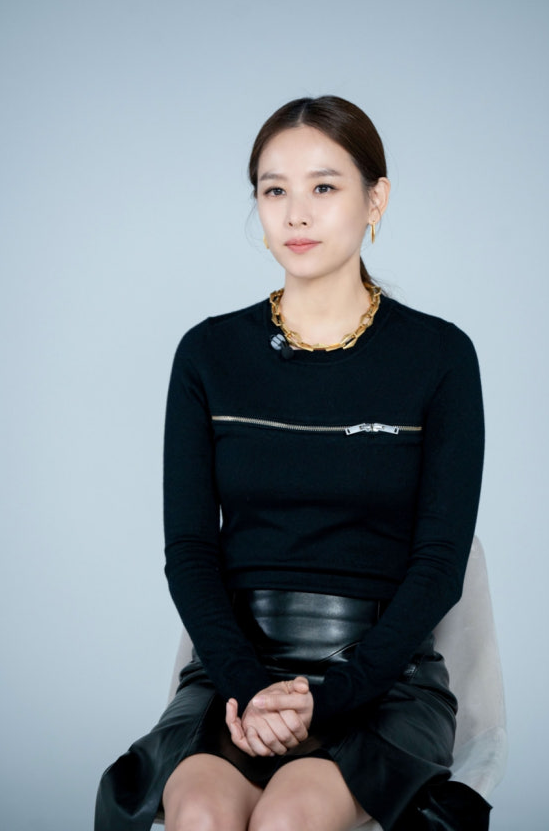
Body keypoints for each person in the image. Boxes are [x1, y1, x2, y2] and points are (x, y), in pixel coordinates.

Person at [95, 96, 491, 831]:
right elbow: (190, 550)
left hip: (383, 679)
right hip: (235, 673)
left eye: (324, 186)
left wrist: (330, 697)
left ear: (376, 199)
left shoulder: (438, 356)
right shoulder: (208, 353)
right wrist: (250, 689)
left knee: (287, 818)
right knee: (201, 814)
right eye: (274, 189)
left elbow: (440, 564)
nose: (296, 214)